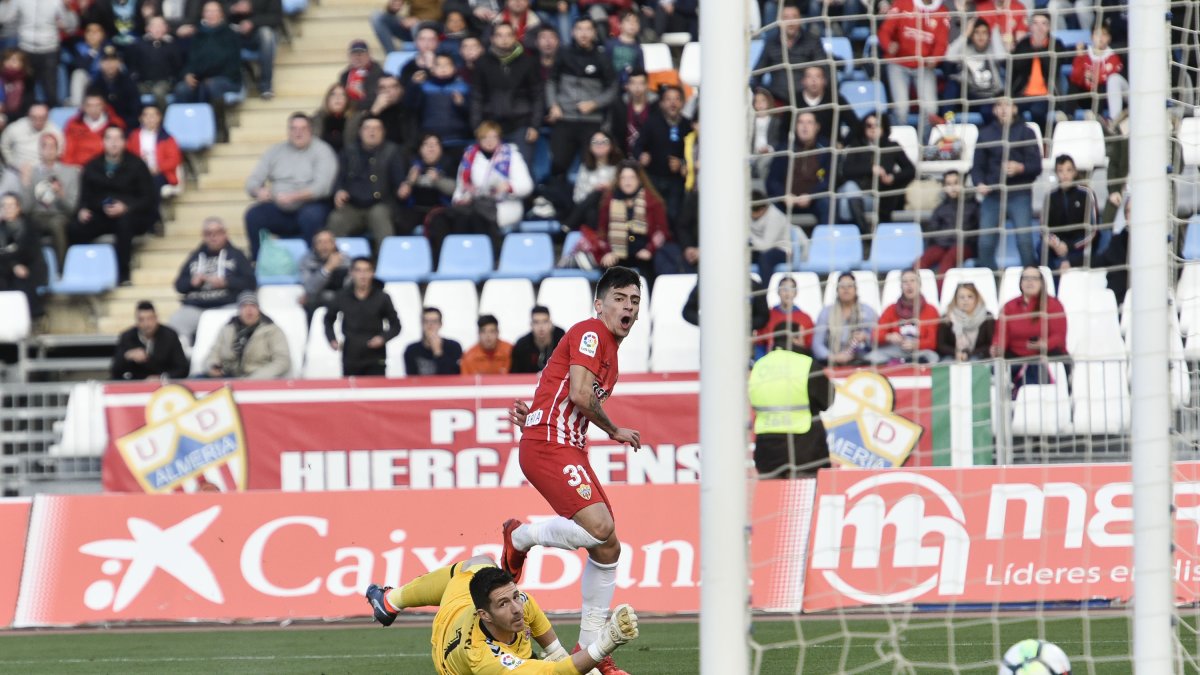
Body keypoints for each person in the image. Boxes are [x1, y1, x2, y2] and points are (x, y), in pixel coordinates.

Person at [502, 266, 644, 675]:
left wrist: (537, 414)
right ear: (599, 304)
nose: (629, 307)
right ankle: (521, 535)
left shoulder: (610, 355)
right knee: (601, 528)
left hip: (561, 443)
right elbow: (581, 395)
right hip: (552, 445)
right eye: (620, 298)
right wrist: (615, 429)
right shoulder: (591, 331)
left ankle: (591, 648)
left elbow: (560, 386)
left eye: (635, 301)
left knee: (608, 547)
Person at [364, 555, 641, 674]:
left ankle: (390, 600)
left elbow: (555, 654)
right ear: (484, 614)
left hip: (458, 597)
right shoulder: (482, 656)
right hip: (450, 651)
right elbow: (554, 672)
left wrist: (569, 658)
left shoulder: (518, 603)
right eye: (504, 604)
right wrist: (607, 641)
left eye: (515, 596)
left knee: (479, 561)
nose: (517, 608)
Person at [427, 120, 533, 262]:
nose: (489, 141)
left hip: (503, 205)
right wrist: (460, 199)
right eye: (485, 137)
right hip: (474, 204)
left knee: (473, 216)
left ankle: (483, 260)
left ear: (499, 138)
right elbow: (460, 187)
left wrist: (508, 186)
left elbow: (526, 185)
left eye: (493, 137)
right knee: (442, 218)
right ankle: (444, 261)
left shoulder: (512, 155)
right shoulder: (470, 156)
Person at [243, 113, 339, 260]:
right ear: (288, 131)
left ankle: (313, 262)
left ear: (311, 130)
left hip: (311, 205)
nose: (298, 132)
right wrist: (258, 191)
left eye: (303, 128)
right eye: (293, 129)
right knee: (253, 215)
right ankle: (259, 261)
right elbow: (252, 181)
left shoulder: (322, 151)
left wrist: (293, 197)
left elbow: (323, 187)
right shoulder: (275, 151)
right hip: (279, 207)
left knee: (311, 217)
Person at [71, 125, 155, 284]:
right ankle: (81, 272)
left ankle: (122, 274)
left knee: (124, 224)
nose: (114, 143)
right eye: (109, 138)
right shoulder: (92, 166)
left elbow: (148, 198)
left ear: (124, 142)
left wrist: (126, 207)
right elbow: (84, 197)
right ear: (103, 142)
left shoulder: (137, 165)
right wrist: (82, 210)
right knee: (75, 227)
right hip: (101, 213)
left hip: (132, 215)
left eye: (118, 138)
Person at [970, 97, 1042, 270]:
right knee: (985, 243)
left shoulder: (1027, 132)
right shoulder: (985, 134)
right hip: (993, 195)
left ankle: (1032, 279)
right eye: (999, 105)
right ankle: (993, 282)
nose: (1003, 109)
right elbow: (977, 167)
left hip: (1019, 194)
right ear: (994, 110)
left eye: (1007, 105)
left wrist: (1021, 168)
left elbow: (1036, 166)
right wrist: (979, 183)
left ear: (1015, 109)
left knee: (1024, 242)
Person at [545, 17, 617, 181]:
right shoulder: (563, 53)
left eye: (588, 29)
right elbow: (551, 81)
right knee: (558, 165)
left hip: (592, 121)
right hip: (565, 118)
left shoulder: (602, 57)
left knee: (591, 165)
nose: (583, 33)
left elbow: (613, 89)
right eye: (580, 29)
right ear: (573, 32)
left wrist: (595, 103)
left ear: (594, 33)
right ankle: (558, 203)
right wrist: (553, 105)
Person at [575, 160, 668, 282]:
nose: (627, 182)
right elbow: (602, 232)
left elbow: (662, 231)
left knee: (650, 266)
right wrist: (607, 252)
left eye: (631, 178)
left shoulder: (652, 201)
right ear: (618, 180)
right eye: (623, 178)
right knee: (608, 268)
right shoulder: (609, 201)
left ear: (639, 180)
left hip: (644, 252)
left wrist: (649, 250)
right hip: (617, 253)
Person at [749, 342, 833, 478]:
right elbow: (828, 400)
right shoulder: (805, 363)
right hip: (805, 448)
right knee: (805, 497)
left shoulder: (759, 366)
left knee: (772, 497)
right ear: (796, 337)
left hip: (767, 450)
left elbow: (752, 400)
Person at [169, 216, 256, 341]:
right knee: (174, 324)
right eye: (208, 233)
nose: (213, 237)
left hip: (227, 304)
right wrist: (192, 283)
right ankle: (186, 356)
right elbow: (179, 285)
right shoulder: (195, 256)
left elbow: (250, 283)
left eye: (217, 233)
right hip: (196, 306)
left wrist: (226, 282)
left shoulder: (237, 255)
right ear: (203, 236)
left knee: (234, 326)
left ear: (225, 234)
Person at [470, 21, 543, 166]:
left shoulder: (528, 62)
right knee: (490, 173)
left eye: (508, 35)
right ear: (492, 39)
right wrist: (477, 126)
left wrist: (535, 126)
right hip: (491, 126)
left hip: (521, 126)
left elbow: (537, 96)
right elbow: (476, 98)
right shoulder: (482, 63)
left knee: (523, 172)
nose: (504, 39)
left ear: (515, 38)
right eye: (499, 35)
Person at [328, 115, 405, 247]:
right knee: (336, 219)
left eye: (376, 128)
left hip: (381, 205)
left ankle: (386, 261)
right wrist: (339, 191)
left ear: (383, 132)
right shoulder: (348, 151)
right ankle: (333, 262)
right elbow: (340, 178)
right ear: (360, 132)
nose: (372, 132)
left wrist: (404, 188)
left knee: (380, 216)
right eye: (367, 128)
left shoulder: (392, 151)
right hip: (353, 205)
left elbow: (399, 183)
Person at [173, 1, 242, 142]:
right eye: (208, 11)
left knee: (212, 86)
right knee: (182, 89)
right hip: (200, 78)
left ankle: (219, 129)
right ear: (203, 14)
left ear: (221, 14)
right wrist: (188, 74)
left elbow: (229, 62)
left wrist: (205, 73)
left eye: (214, 11)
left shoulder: (230, 34)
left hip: (226, 78)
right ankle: (187, 131)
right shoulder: (197, 35)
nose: (211, 14)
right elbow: (189, 60)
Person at [991, 265, 1068, 392]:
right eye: (1026, 278)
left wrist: (1043, 344)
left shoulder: (1054, 305)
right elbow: (1000, 335)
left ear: (1042, 283)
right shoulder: (1009, 307)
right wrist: (997, 347)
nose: (1029, 282)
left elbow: (1059, 336)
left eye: (1034, 278)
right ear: (1020, 283)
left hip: (1046, 355)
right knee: (995, 367)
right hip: (1016, 356)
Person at [835, 112, 915, 232]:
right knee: (849, 189)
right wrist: (872, 168)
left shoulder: (892, 146)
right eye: (869, 126)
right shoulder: (856, 145)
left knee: (845, 204)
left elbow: (911, 170)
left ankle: (858, 238)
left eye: (876, 125)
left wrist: (893, 177)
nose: (872, 129)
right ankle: (864, 233)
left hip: (877, 199)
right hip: (858, 193)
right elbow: (846, 170)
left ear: (883, 127)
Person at [876, 0, 950, 127]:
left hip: (924, 67)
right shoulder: (902, 3)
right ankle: (900, 144)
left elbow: (942, 43)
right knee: (901, 108)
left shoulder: (942, 11)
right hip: (898, 63)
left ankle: (925, 144)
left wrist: (935, 58)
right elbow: (884, 31)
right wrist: (888, 45)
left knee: (931, 109)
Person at [326, 256, 401, 377]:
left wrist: (383, 338)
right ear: (351, 273)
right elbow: (328, 319)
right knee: (351, 392)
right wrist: (332, 339)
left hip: (376, 355)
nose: (363, 275)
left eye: (367, 270)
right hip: (351, 354)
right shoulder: (342, 296)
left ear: (372, 273)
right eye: (358, 270)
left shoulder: (382, 297)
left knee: (376, 391)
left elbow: (396, 325)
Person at [0, 0, 77, 107]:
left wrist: (67, 10)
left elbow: (71, 27)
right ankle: (25, 118)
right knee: (25, 90)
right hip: (26, 48)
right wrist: (7, 3)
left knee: (50, 90)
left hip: (49, 49)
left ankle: (51, 117)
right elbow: (5, 18)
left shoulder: (57, 1)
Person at [634, 84, 690, 227]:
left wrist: (682, 163)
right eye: (668, 99)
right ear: (661, 103)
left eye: (677, 99)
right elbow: (638, 145)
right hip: (653, 178)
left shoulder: (687, 125)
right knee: (651, 214)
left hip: (676, 181)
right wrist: (641, 156)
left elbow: (694, 153)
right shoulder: (652, 122)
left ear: (683, 103)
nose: (673, 103)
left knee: (673, 215)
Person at [749, 2, 826, 107]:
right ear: (779, 21)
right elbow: (756, 75)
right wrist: (763, 94)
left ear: (800, 20)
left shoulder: (812, 41)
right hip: (777, 100)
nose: (790, 22)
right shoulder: (771, 44)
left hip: (806, 101)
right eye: (786, 18)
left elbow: (825, 71)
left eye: (794, 17)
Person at [765, 111, 831, 229]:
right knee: (772, 206)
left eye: (809, 123)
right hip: (786, 201)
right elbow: (772, 181)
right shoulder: (784, 149)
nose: (805, 127)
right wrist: (783, 195)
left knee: (827, 203)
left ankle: (823, 244)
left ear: (817, 127)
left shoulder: (825, 150)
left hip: (813, 200)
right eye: (801, 122)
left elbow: (828, 180)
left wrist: (811, 195)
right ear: (795, 126)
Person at [19, 132, 77, 266]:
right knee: (25, 226)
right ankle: (32, 269)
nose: (49, 150)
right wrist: (26, 184)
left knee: (57, 225)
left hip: (60, 215)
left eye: (52, 147)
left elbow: (71, 208)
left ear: (58, 150)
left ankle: (60, 269)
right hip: (37, 216)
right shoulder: (31, 173)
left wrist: (61, 194)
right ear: (40, 150)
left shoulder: (70, 172)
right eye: (45, 146)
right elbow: (26, 209)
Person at [205, 291, 292, 379]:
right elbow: (214, 353)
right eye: (244, 306)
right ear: (239, 310)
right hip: (228, 378)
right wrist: (213, 366)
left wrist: (255, 378)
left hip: (259, 381)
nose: (249, 310)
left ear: (259, 309)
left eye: (253, 306)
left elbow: (282, 361)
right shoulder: (227, 329)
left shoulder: (272, 330)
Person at [866, 268, 940, 365]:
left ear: (920, 284)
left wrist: (916, 344)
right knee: (872, 357)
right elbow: (874, 336)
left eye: (913, 281)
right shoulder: (891, 309)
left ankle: (903, 363)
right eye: (905, 282)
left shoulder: (931, 310)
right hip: (896, 350)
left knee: (933, 357)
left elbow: (932, 342)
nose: (909, 285)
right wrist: (888, 337)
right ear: (901, 286)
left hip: (919, 351)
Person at [1008, 12, 1067, 131]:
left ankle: (1041, 142)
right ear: (1030, 27)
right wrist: (1031, 48)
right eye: (1035, 23)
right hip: (1023, 95)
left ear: (1049, 27)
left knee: (1037, 111)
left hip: (1047, 96)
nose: (1039, 27)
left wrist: (1041, 49)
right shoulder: (1023, 44)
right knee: (1010, 112)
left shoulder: (1056, 44)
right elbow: (1017, 67)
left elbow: (1053, 68)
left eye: (1044, 24)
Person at [404, 52, 472, 153]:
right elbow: (411, 108)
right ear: (432, 69)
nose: (443, 68)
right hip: (430, 140)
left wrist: (462, 104)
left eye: (447, 64)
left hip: (458, 139)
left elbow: (473, 113)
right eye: (438, 65)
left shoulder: (464, 87)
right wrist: (413, 86)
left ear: (454, 68)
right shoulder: (424, 87)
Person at [916, 170, 978, 278]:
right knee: (922, 261)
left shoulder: (974, 206)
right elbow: (932, 232)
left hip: (964, 246)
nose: (952, 187)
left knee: (948, 260)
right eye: (949, 184)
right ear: (944, 187)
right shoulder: (940, 209)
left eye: (956, 183)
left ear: (963, 184)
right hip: (942, 245)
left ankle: (941, 294)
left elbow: (975, 234)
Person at [944, 17, 1005, 123]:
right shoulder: (965, 49)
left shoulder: (993, 49)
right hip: (969, 94)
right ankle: (948, 122)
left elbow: (1002, 57)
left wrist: (995, 31)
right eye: (977, 32)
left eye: (984, 33)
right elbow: (949, 56)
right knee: (952, 85)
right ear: (972, 35)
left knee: (988, 110)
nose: (981, 36)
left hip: (989, 96)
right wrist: (965, 34)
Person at [1043, 154, 1098, 271]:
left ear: (1075, 172)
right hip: (1057, 245)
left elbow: (1093, 230)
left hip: (1080, 245)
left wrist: (1069, 246)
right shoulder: (1050, 196)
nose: (1065, 174)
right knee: (1042, 247)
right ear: (1056, 173)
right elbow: (1044, 229)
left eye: (1069, 170)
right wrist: (1057, 244)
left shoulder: (1086, 194)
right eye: (1060, 171)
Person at [111, 300, 189, 380]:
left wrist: (162, 378)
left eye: (150, 318)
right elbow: (115, 371)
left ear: (156, 318)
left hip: (164, 386)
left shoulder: (169, 335)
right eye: (141, 319)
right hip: (135, 385)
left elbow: (182, 368)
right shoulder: (127, 337)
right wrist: (127, 356)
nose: (146, 324)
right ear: (136, 321)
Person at [812, 272, 878, 365]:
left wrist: (866, 337)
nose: (846, 289)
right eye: (842, 286)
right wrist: (834, 357)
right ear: (837, 290)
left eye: (850, 286)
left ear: (856, 289)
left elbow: (880, 340)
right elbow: (817, 345)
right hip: (831, 363)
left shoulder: (868, 312)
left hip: (862, 363)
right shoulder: (826, 312)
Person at [1066, 23, 1127, 122]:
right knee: (1073, 86)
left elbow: (1106, 77)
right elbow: (1075, 77)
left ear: (1109, 38)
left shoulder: (1113, 57)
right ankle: (1067, 116)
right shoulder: (1085, 55)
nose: (1100, 38)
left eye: (1104, 34)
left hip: (1103, 99)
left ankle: (1096, 116)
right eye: (1097, 34)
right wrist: (1079, 57)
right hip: (1086, 96)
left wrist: (1092, 76)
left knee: (1101, 86)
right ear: (1091, 37)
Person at [396, 132, 455, 235]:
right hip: (415, 208)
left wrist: (438, 180)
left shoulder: (449, 164)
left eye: (435, 144)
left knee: (440, 224)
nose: (431, 148)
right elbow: (401, 195)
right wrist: (410, 181)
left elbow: (454, 190)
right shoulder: (411, 165)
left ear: (441, 149)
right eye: (427, 144)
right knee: (401, 222)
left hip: (440, 209)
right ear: (420, 149)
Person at [126, 104, 182, 207]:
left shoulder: (167, 138)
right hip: (137, 172)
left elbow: (174, 159)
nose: (149, 119)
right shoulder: (134, 136)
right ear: (140, 118)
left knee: (152, 183)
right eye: (146, 116)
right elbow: (127, 156)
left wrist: (157, 168)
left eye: (153, 116)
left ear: (159, 118)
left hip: (160, 173)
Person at [0, 192, 46, 318]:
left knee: (20, 281)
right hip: (8, 268)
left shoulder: (30, 227)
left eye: (11, 205)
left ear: (18, 207)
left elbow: (27, 252)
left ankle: (34, 317)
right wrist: (13, 264)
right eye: (4, 206)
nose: (8, 209)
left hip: (29, 267)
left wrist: (12, 261)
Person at [227, 0, 282, 100]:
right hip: (233, 31)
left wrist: (252, 22)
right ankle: (235, 86)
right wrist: (232, 9)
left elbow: (276, 18)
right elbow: (214, 9)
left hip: (257, 33)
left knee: (266, 34)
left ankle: (265, 86)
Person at [127, 15, 182, 111]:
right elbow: (132, 64)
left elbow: (178, 65)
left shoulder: (173, 45)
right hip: (143, 82)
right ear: (147, 28)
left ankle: (162, 119)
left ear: (166, 28)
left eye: (160, 26)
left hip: (164, 82)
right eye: (154, 26)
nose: (157, 29)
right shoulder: (139, 44)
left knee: (159, 92)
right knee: (130, 90)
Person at [791, 66, 853, 146]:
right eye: (809, 76)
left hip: (830, 152)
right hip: (799, 151)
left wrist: (842, 144)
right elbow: (784, 129)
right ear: (803, 81)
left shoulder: (835, 99)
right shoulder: (794, 101)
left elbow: (854, 125)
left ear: (824, 81)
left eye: (818, 76)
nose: (814, 80)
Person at [62, 92, 126, 167]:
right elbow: (68, 151)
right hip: (78, 169)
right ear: (84, 107)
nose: (93, 109)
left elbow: (122, 149)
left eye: (97, 105)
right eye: (90, 105)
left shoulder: (115, 124)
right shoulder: (73, 124)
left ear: (104, 106)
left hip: (107, 169)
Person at [755, 274, 814, 357]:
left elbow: (810, 348)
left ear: (796, 293)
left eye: (791, 289)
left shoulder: (806, 318)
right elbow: (759, 345)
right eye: (784, 289)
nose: (787, 293)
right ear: (778, 291)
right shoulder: (767, 316)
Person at [936, 282, 995, 361]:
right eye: (961, 297)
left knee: (974, 361)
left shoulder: (987, 317)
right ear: (956, 300)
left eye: (970, 296)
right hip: (953, 355)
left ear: (976, 298)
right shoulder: (947, 317)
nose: (965, 300)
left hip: (978, 356)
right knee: (947, 362)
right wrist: (956, 353)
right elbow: (941, 345)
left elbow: (990, 344)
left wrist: (968, 354)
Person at [299, 228, 349, 317]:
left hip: (342, 301)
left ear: (334, 244)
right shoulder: (307, 261)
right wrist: (327, 269)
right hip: (316, 301)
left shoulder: (345, 260)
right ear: (314, 245)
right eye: (320, 242)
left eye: (327, 242)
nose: (324, 246)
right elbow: (310, 289)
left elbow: (350, 288)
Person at [90, 46, 141, 129]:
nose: (110, 65)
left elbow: (135, 110)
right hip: (101, 128)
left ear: (119, 63)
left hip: (126, 127)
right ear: (100, 64)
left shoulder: (129, 83)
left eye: (113, 60)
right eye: (106, 61)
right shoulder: (94, 85)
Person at [404, 306, 464, 375]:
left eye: (434, 321)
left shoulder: (453, 347)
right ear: (422, 324)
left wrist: (438, 352)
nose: (430, 325)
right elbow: (411, 379)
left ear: (440, 324)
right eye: (426, 321)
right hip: (422, 385)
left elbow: (454, 376)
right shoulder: (411, 350)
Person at [1, 103, 61, 171]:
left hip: (43, 171)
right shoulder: (15, 128)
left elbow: (59, 153)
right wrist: (11, 162)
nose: (38, 121)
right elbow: (4, 145)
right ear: (28, 116)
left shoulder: (55, 132)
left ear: (47, 117)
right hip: (15, 169)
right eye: (34, 117)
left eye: (41, 118)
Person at [609, 69, 652, 159]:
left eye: (641, 83)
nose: (637, 87)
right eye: (633, 83)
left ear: (647, 86)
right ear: (627, 86)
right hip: (622, 158)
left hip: (649, 159)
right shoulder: (619, 106)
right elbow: (613, 132)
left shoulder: (655, 107)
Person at [510, 304, 565, 373]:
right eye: (536, 322)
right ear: (531, 325)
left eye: (545, 321)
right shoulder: (522, 345)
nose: (541, 327)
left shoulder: (561, 339)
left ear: (550, 323)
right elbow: (515, 374)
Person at [748, 193, 793, 277]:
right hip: (758, 249)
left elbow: (765, 247)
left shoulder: (775, 216)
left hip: (782, 251)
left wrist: (748, 235)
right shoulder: (748, 214)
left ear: (762, 209)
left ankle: (765, 289)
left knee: (766, 257)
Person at [339, 40, 384, 114]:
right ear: (349, 57)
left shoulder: (379, 74)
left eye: (361, 54)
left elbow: (375, 99)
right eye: (354, 54)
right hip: (350, 113)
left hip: (372, 113)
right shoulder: (345, 76)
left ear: (369, 55)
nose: (357, 57)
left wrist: (361, 95)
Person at [0, 49, 35, 130]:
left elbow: (27, 107)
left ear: (23, 64)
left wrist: (6, 117)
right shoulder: (1, 79)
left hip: (18, 120)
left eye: (15, 60)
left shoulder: (27, 81)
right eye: (8, 59)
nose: (11, 63)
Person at [312, 84, 351, 153]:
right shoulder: (317, 120)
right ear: (327, 100)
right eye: (333, 94)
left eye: (342, 95)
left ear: (347, 100)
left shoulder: (352, 121)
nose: (338, 98)